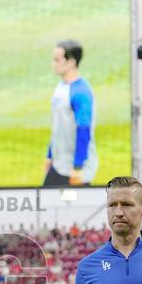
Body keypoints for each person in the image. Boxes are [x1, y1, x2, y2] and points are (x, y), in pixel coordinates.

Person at [42, 40, 98, 187]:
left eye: (57, 60)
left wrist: (78, 167)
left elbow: (83, 130)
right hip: (58, 165)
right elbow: (57, 127)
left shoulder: (81, 92)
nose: (53, 64)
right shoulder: (60, 87)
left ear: (71, 62)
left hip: (74, 170)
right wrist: (50, 155)